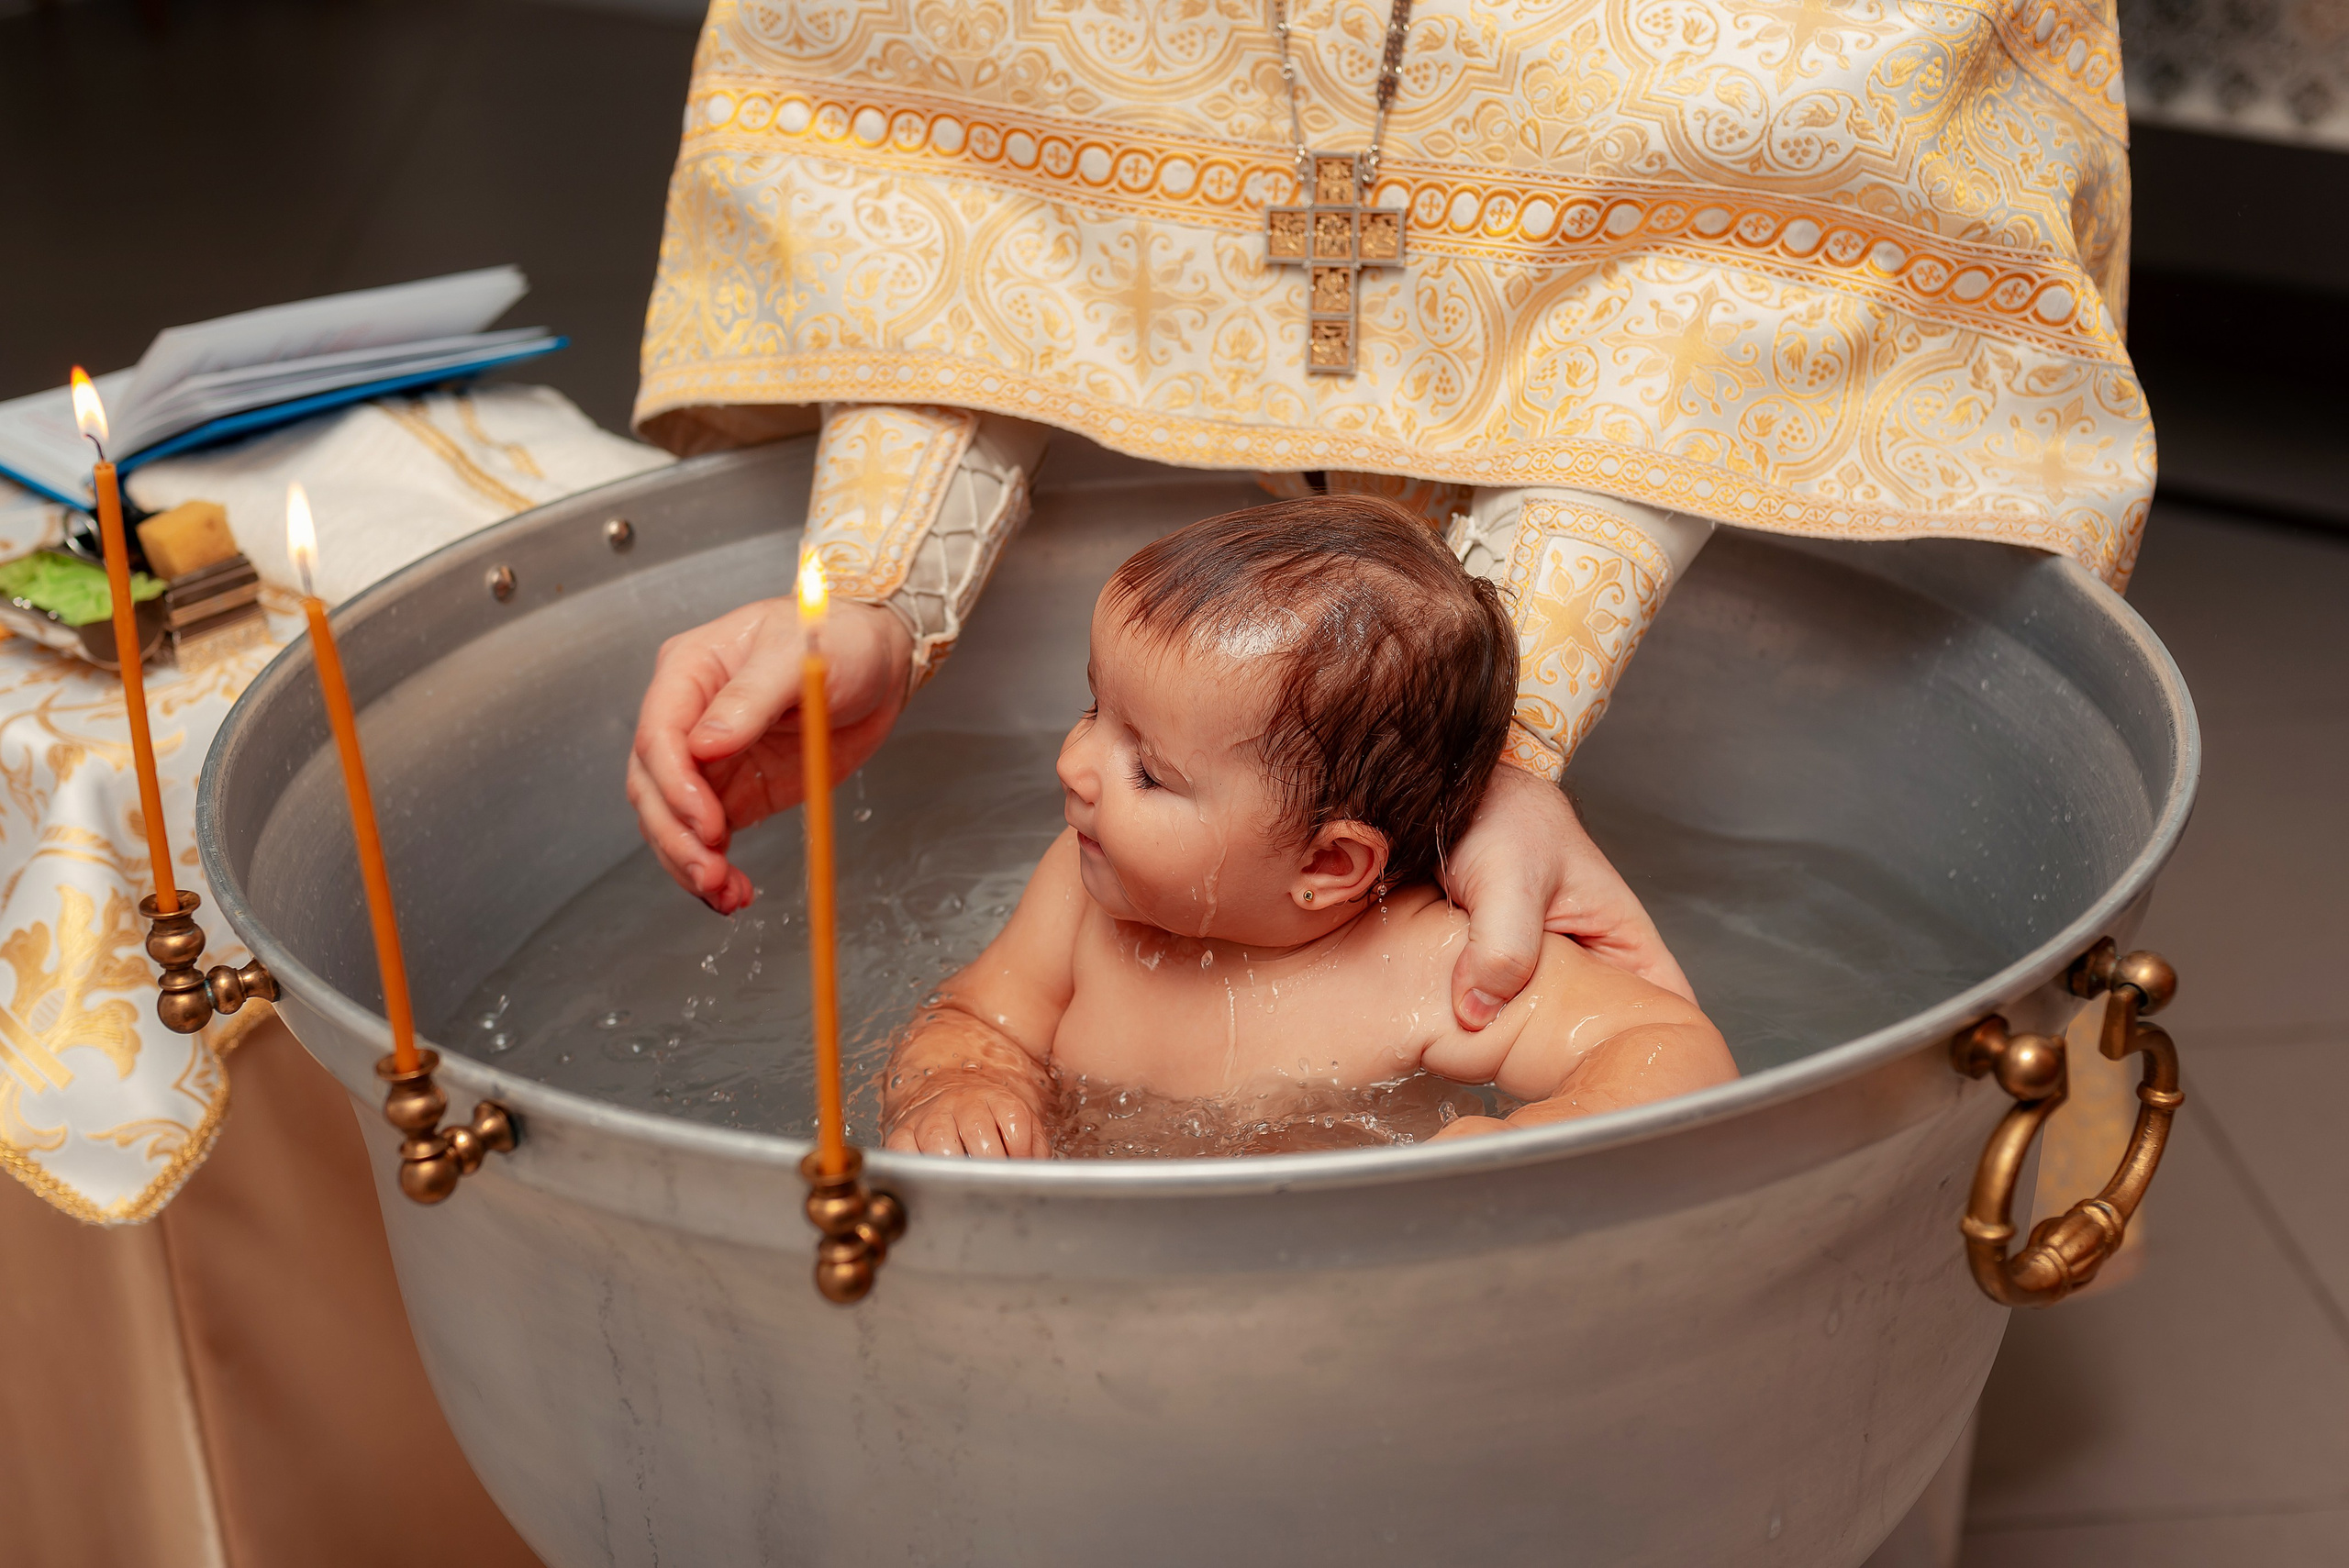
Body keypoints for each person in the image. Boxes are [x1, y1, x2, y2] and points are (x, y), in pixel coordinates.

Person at [626, 0, 2149, 1031]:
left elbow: (1748, 210)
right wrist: (869, 585)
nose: (1065, 768)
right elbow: (947, 141)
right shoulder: (1070, 893)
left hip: (1691, 555)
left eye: (1129, 755)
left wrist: (1500, 738)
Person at [882, 497, 1735, 1157]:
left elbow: (1670, 1046)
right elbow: (976, 1016)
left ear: (1329, 861)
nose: (1074, 764)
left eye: (1147, 770)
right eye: (1094, 709)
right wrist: (954, 1087)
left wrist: (1550, 1137)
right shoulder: (1083, 891)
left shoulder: (1428, 965)